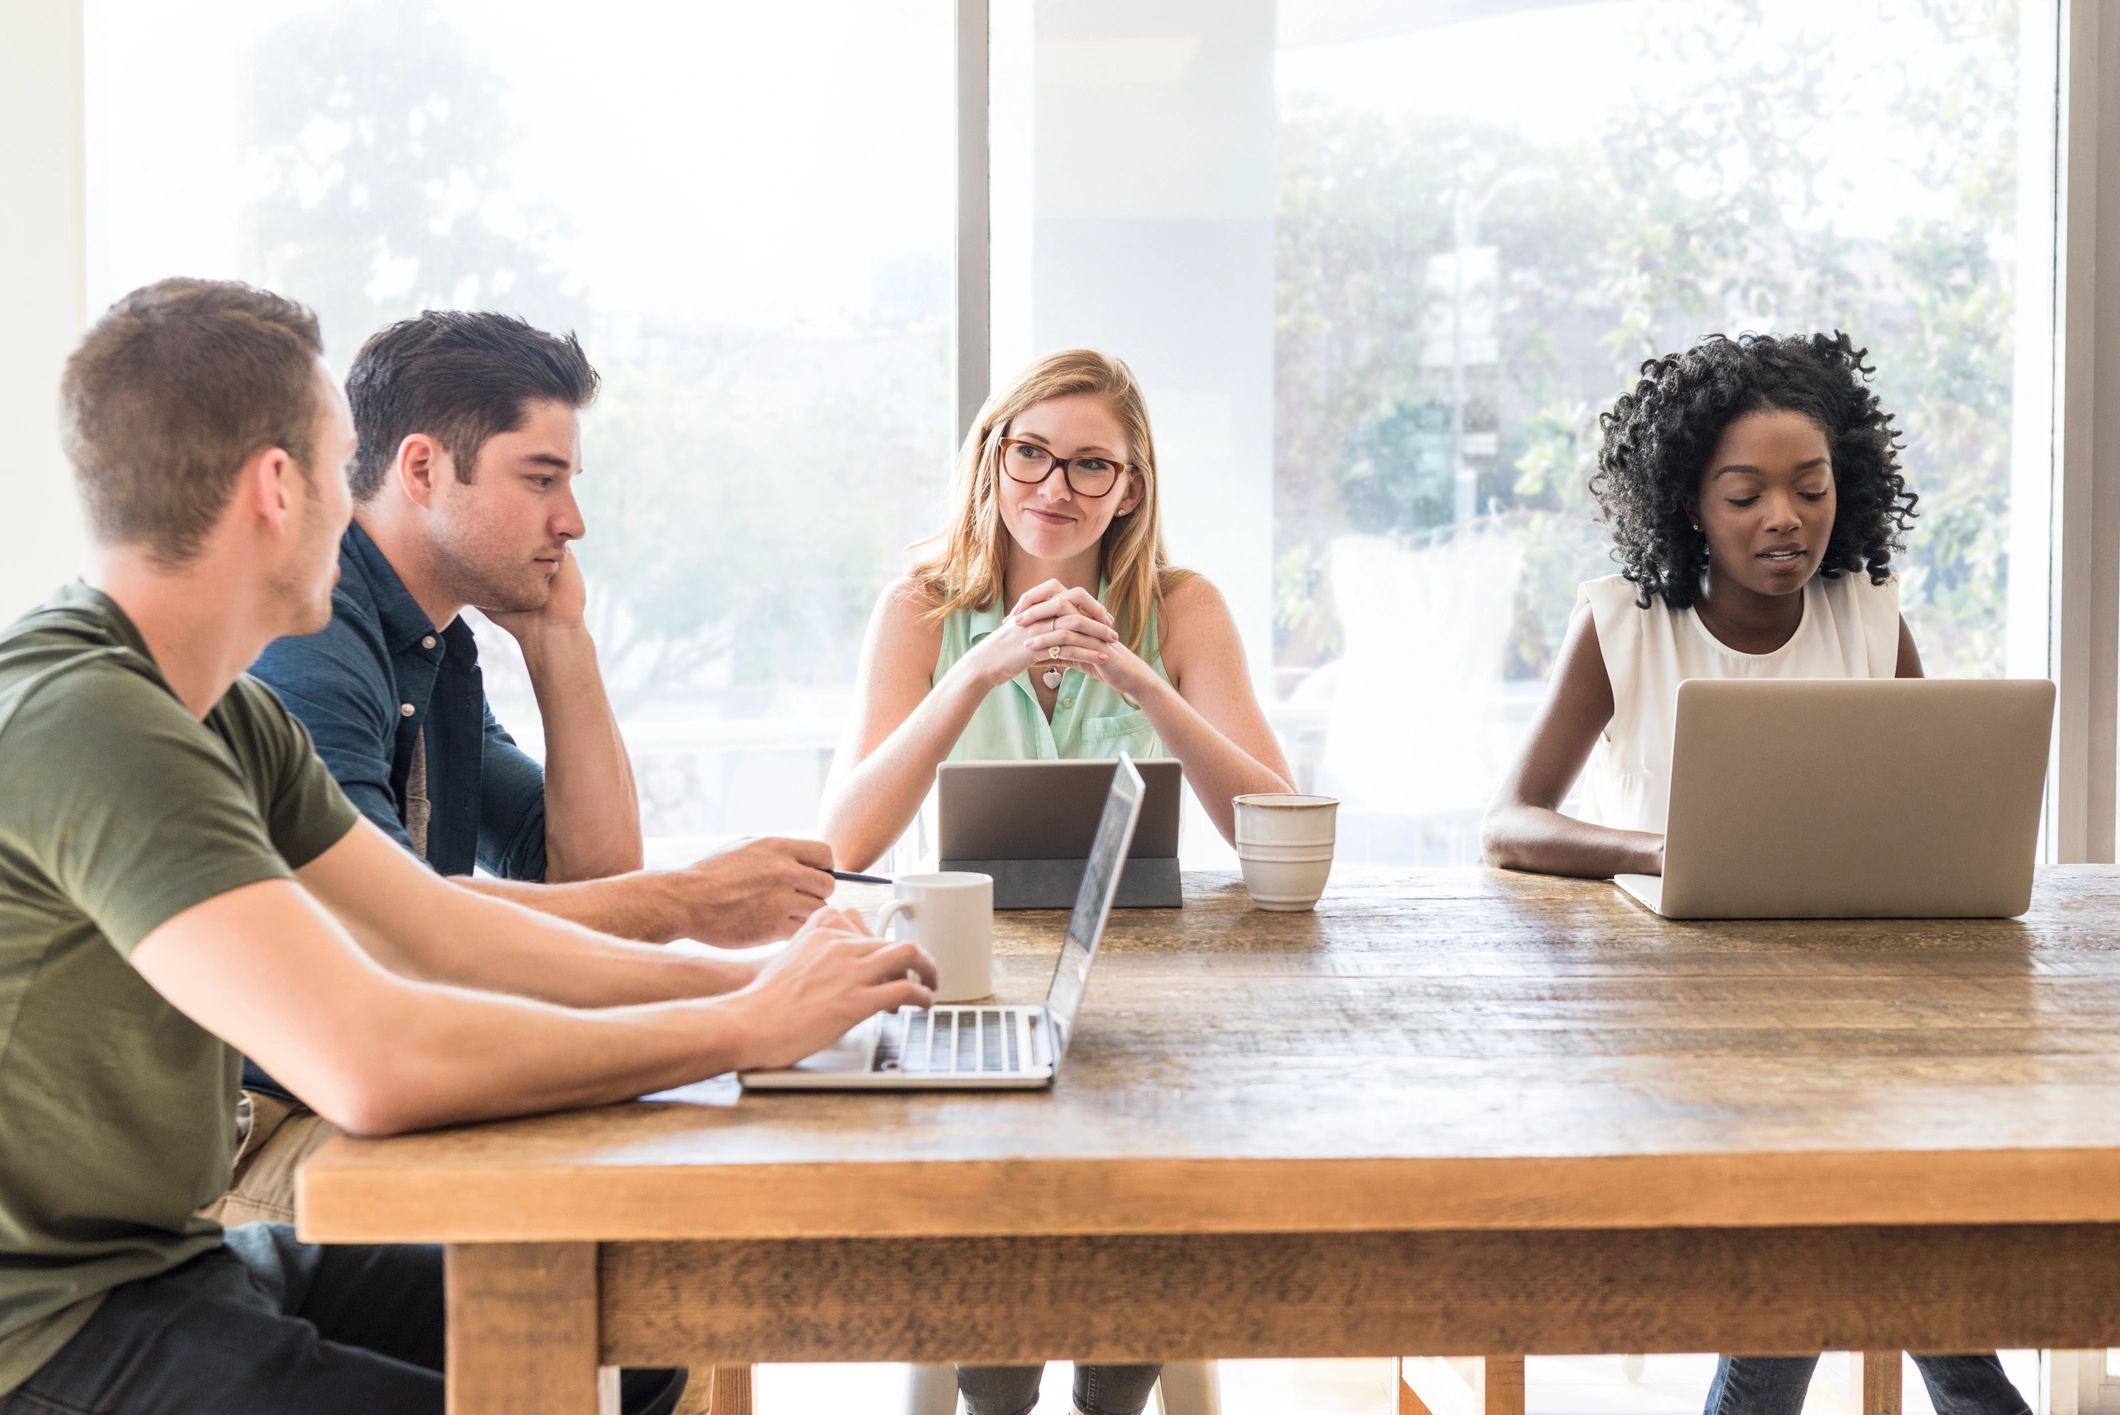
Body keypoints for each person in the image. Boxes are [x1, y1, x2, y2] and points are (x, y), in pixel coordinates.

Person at [0, 277, 935, 1415]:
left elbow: (444, 925)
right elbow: (372, 1058)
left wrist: (760, 980)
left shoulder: (216, 711)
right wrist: (739, 1024)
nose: (361, 510)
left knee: (637, 1334)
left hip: (162, 1263)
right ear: (276, 488)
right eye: (347, 470)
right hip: (48, 1326)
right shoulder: (89, 717)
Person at [1480, 330, 2027, 1415]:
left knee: (1857, 1203)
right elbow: (1507, 820)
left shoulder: (1866, 612)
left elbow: (1932, 793)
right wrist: (1659, 847)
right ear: (1688, 500)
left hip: (1866, 1017)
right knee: (1875, 1216)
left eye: (1809, 487)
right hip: (1687, 1034)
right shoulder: (1623, 625)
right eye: (1744, 493)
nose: (1783, 517)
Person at [223, 310, 840, 1226]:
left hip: (362, 1083)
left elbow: (590, 875)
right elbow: (383, 924)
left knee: (670, 1161)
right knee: (636, 1198)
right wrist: (699, 917)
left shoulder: (431, 647)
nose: (573, 520)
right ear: (423, 469)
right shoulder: (312, 631)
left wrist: (561, 640)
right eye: (541, 478)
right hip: (266, 1122)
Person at [819, 348, 1293, 1415]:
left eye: (1090, 466)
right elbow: (845, 838)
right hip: (967, 978)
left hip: (1148, 979)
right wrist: (974, 672)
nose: (1055, 487)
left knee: (1135, 1167)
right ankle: (999, 1384)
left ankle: (1109, 1390)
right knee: (1005, 1182)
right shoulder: (922, 607)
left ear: (1129, 488)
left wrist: (1139, 678)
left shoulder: (1180, 606)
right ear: (991, 459)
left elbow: (1275, 828)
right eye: (1030, 453)